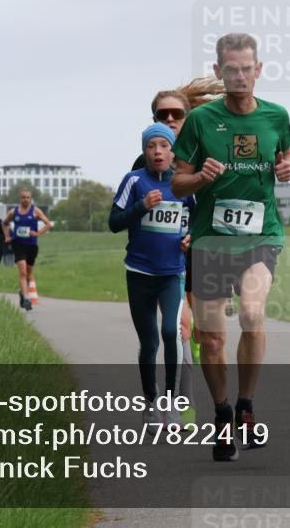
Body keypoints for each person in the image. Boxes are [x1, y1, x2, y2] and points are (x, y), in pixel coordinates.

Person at [172, 33, 290, 462]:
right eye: (231, 69)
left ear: (258, 70)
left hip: (261, 237)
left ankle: (246, 405)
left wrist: (287, 166)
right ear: (218, 71)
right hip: (210, 240)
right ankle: (222, 413)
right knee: (211, 339)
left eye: (247, 69)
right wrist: (200, 177)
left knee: (252, 313)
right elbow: (177, 183)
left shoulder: (276, 115)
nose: (240, 76)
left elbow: (288, 151)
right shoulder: (201, 121)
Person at [131, 78, 224, 426]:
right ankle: (179, 404)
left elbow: (217, 205)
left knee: (203, 333)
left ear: (189, 117)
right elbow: (136, 213)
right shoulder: (143, 162)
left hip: (203, 251)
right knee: (179, 326)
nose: (169, 119)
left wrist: (195, 233)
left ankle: (190, 363)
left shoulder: (206, 154)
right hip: (167, 259)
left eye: (176, 113)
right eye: (162, 114)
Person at [110, 123, 195, 429]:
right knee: (149, 344)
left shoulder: (183, 184)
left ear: (173, 151)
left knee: (172, 332)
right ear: (144, 151)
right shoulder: (134, 180)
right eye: (151, 146)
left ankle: (172, 405)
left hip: (172, 274)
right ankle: (150, 402)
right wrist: (141, 206)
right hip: (139, 273)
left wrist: (191, 236)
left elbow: (197, 219)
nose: (157, 151)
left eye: (164, 145)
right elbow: (114, 222)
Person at [2, 189, 53, 310]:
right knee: (23, 273)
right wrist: (7, 236)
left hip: (31, 246)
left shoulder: (35, 211)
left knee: (29, 274)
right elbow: (4, 223)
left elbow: (48, 224)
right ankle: (26, 298)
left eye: (27, 197)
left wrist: (38, 233)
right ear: (20, 198)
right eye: (23, 197)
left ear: (30, 199)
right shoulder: (13, 212)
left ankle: (22, 292)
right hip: (18, 245)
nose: (25, 199)